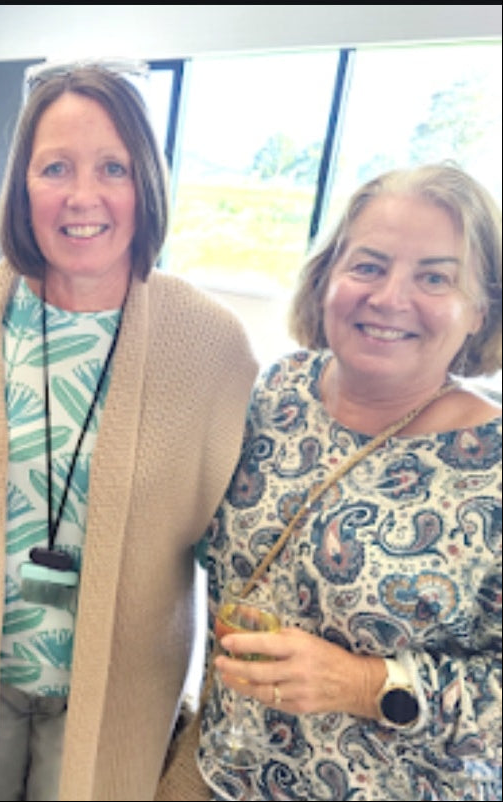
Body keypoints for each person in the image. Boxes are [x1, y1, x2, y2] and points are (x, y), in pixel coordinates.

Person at [0, 60, 258, 802]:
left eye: (113, 168)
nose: (82, 196)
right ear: (20, 186)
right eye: (54, 167)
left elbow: (242, 557)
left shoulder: (210, 346)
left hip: (114, 705)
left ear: (149, 185)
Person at [196, 163, 502, 801]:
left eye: (435, 277)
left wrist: (368, 684)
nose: (390, 298)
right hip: (221, 776)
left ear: (479, 311)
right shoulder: (279, 391)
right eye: (367, 265)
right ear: (326, 277)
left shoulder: (491, 463)